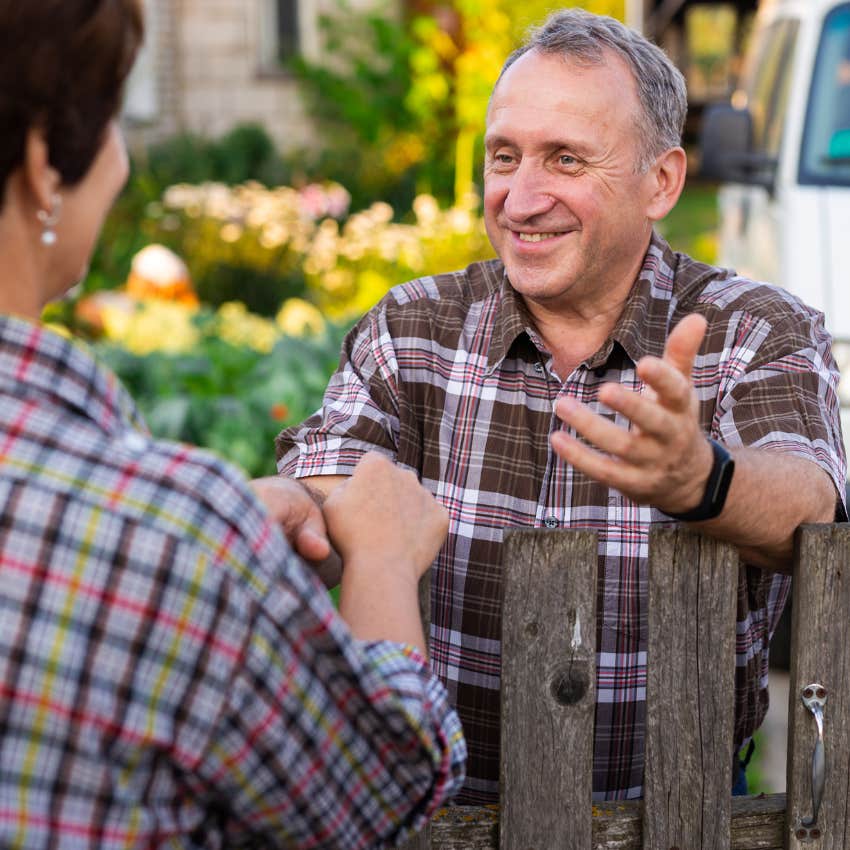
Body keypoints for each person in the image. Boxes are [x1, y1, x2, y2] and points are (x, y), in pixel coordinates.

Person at [277, 8, 847, 804]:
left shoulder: (754, 331)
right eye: (504, 156)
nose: (520, 197)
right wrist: (285, 501)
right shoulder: (414, 327)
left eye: (566, 160)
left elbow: (812, 510)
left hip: (676, 814)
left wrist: (700, 480)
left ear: (662, 181)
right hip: (444, 814)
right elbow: (332, 487)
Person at [0, 1, 465, 846]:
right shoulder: (174, 541)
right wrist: (386, 564)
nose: (121, 158)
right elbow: (383, 792)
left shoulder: (173, 535)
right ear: (42, 165)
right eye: (109, 117)